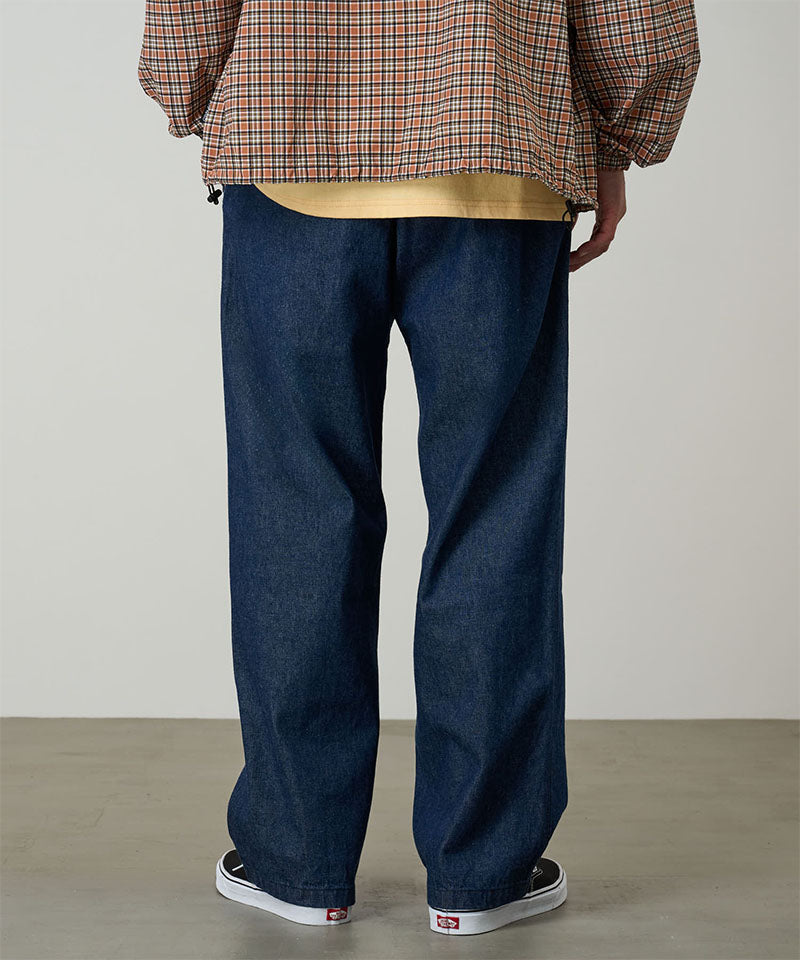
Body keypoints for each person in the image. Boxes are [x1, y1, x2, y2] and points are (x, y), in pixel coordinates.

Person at [138, 0, 700, 936]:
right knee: (495, 511)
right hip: (499, 152)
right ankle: (483, 873)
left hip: (290, 156)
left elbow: (187, 21)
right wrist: (617, 140)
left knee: (296, 506)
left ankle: (297, 863)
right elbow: (638, 21)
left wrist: (197, 91)